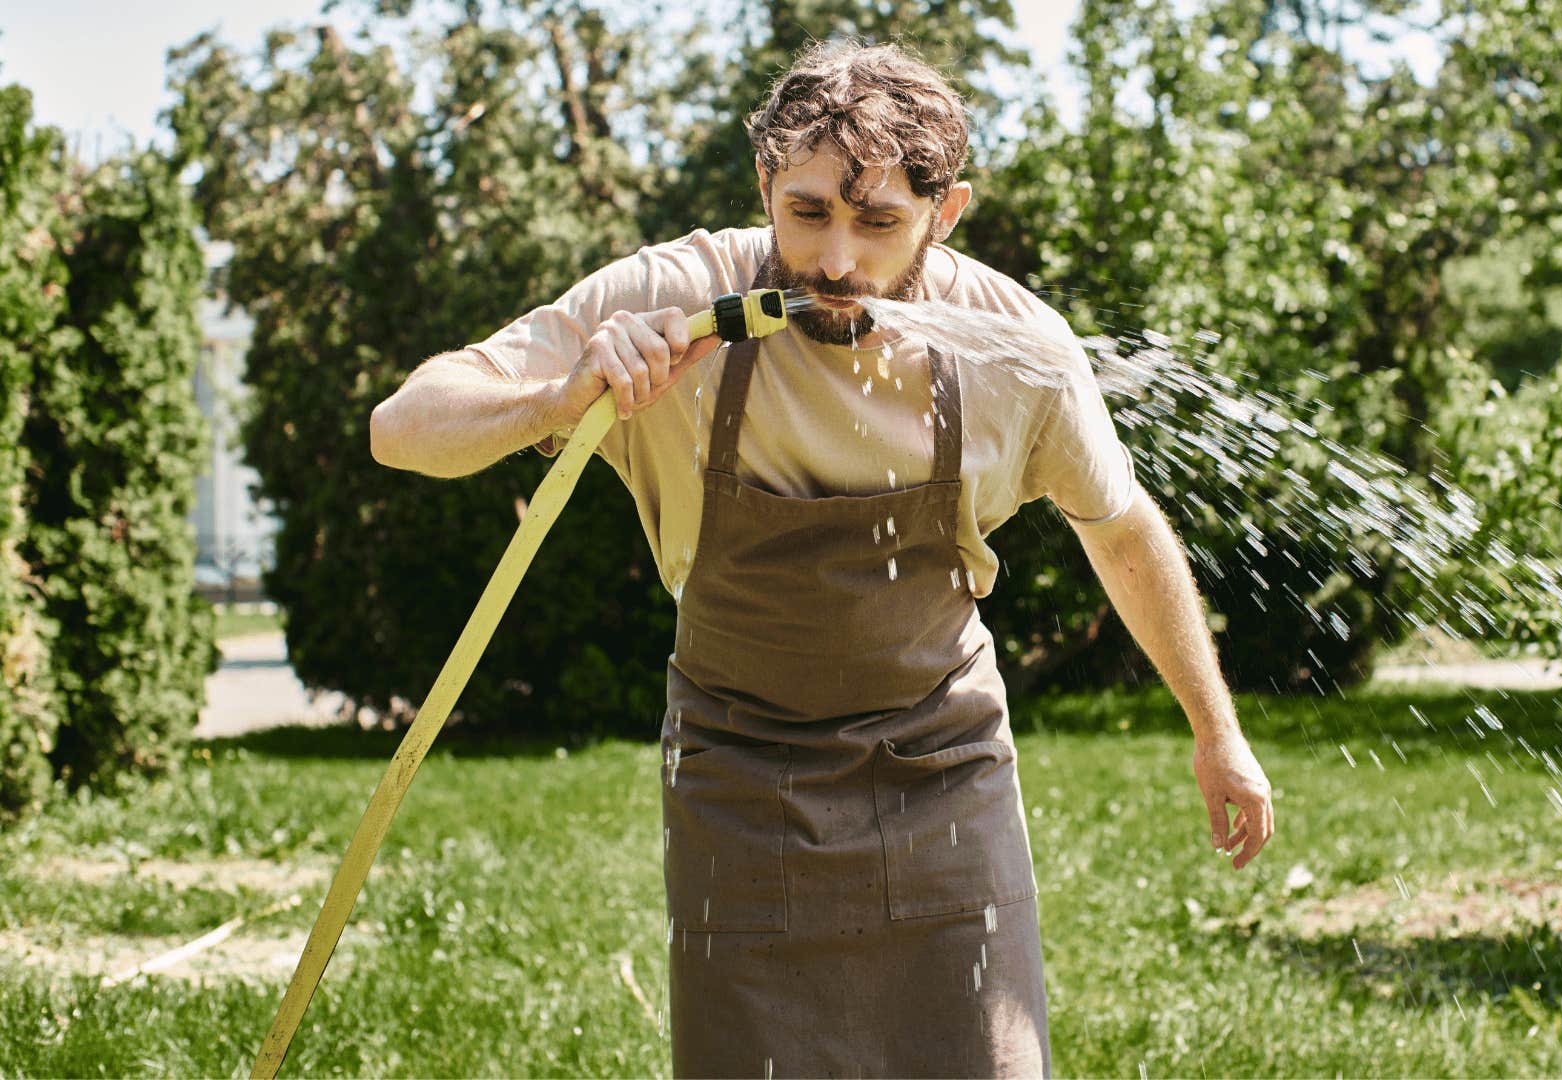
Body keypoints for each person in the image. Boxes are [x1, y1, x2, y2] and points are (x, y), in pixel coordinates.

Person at [369, 39, 1273, 1079]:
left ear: (948, 211)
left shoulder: (1016, 349)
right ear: (765, 185)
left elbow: (1120, 532)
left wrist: (1218, 733)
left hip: (945, 770)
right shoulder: (676, 294)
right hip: (738, 772)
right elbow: (404, 426)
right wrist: (557, 398)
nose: (837, 260)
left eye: (879, 222)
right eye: (807, 213)